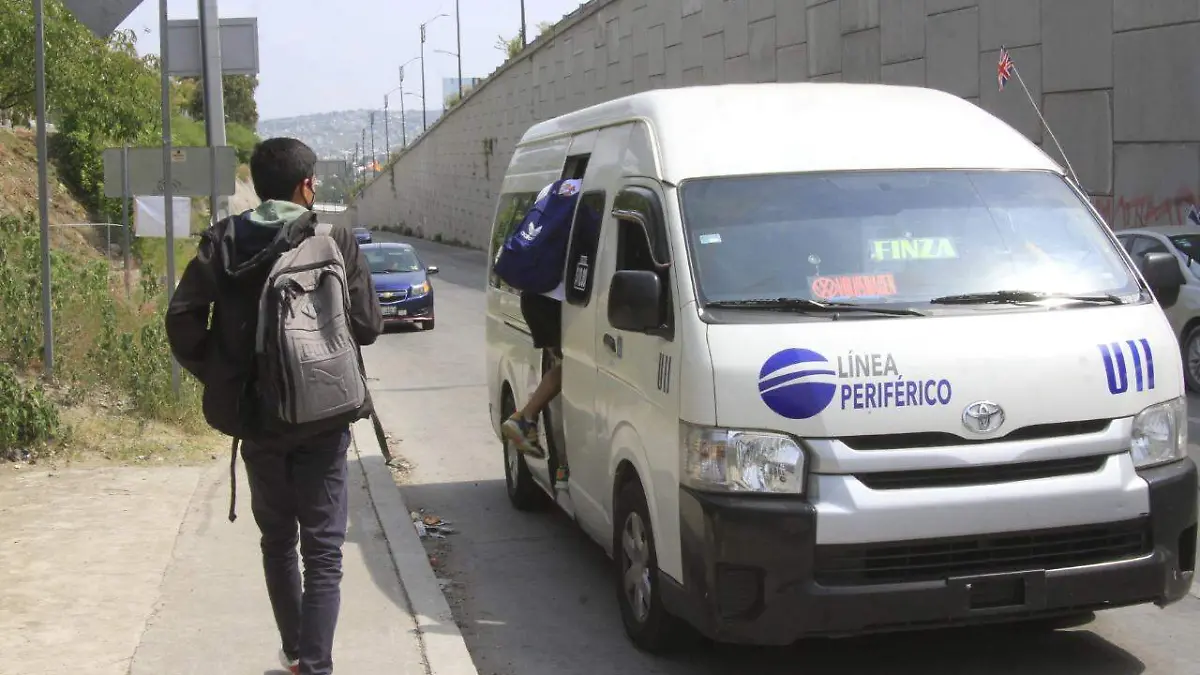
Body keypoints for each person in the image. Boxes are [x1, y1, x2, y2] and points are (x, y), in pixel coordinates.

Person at [165, 137, 383, 675]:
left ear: (257, 186)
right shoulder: (334, 237)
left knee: (279, 541)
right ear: (306, 186)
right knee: (325, 551)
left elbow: (182, 321)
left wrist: (223, 374)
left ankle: (293, 654)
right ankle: (315, 666)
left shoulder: (223, 241)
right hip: (326, 415)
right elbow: (369, 327)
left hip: (258, 419)